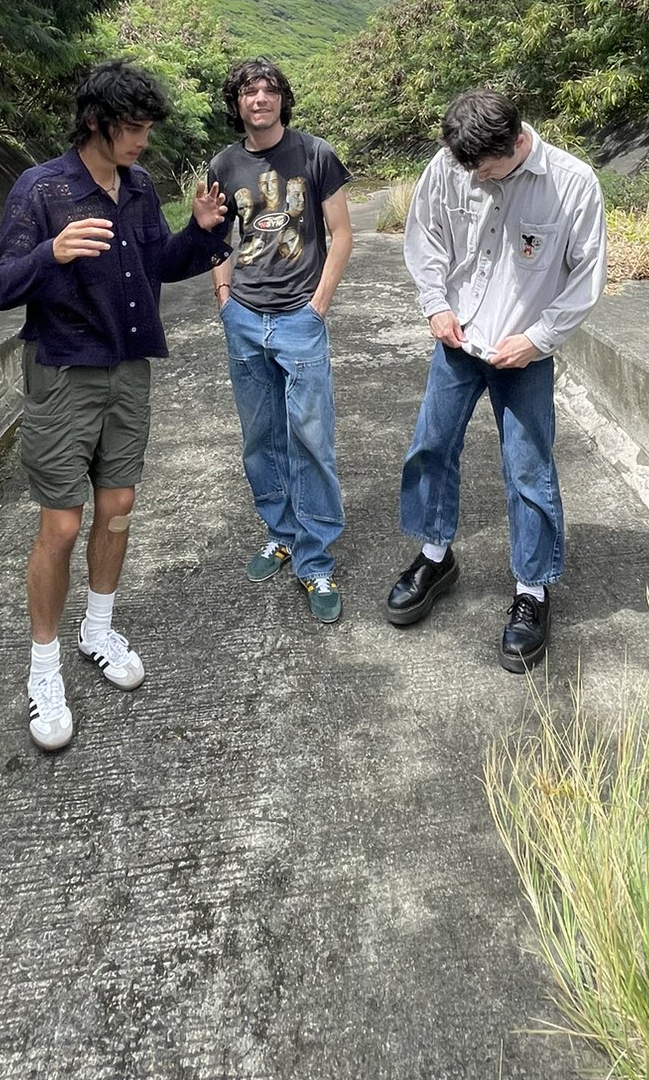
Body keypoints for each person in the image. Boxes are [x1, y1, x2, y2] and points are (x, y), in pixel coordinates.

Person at [0, 60, 229, 751]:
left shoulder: (141, 187)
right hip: (63, 373)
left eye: (149, 129)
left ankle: (97, 629)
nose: (142, 141)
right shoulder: (42, 189)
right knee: (60, 527)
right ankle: (43, 670)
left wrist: (202, 230)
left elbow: (162, 265)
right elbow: (0, 287)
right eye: (132, 128)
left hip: (127, 371)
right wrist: (53, 254)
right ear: (95, 121)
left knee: (117, 511)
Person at [387, 88, 606, 672]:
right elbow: (426, 237)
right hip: (457, 341)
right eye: (466, 167)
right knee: (431, 448)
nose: (473, 176)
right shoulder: (452, 162)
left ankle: (532, 590)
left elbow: (585, 279)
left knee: (528, 469)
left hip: (524, 354)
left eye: (484, 168)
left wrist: (536, 340)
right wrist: (435, 304)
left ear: (516, 142)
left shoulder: (573, 183)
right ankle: (435, 555)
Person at [209, 57, 353, 623]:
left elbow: (340, 235)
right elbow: (219, 235)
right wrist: (224, 297)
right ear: (238, 104)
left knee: (311, 439)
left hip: (299, 317)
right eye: (249, 90)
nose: (260, 98)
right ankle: (282, 532)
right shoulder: (225, 163)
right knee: (260, 435)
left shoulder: (314, 154)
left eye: (269, 90)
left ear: (281, 100)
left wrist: (319, 306)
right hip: (244, 315)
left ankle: (316, 559)